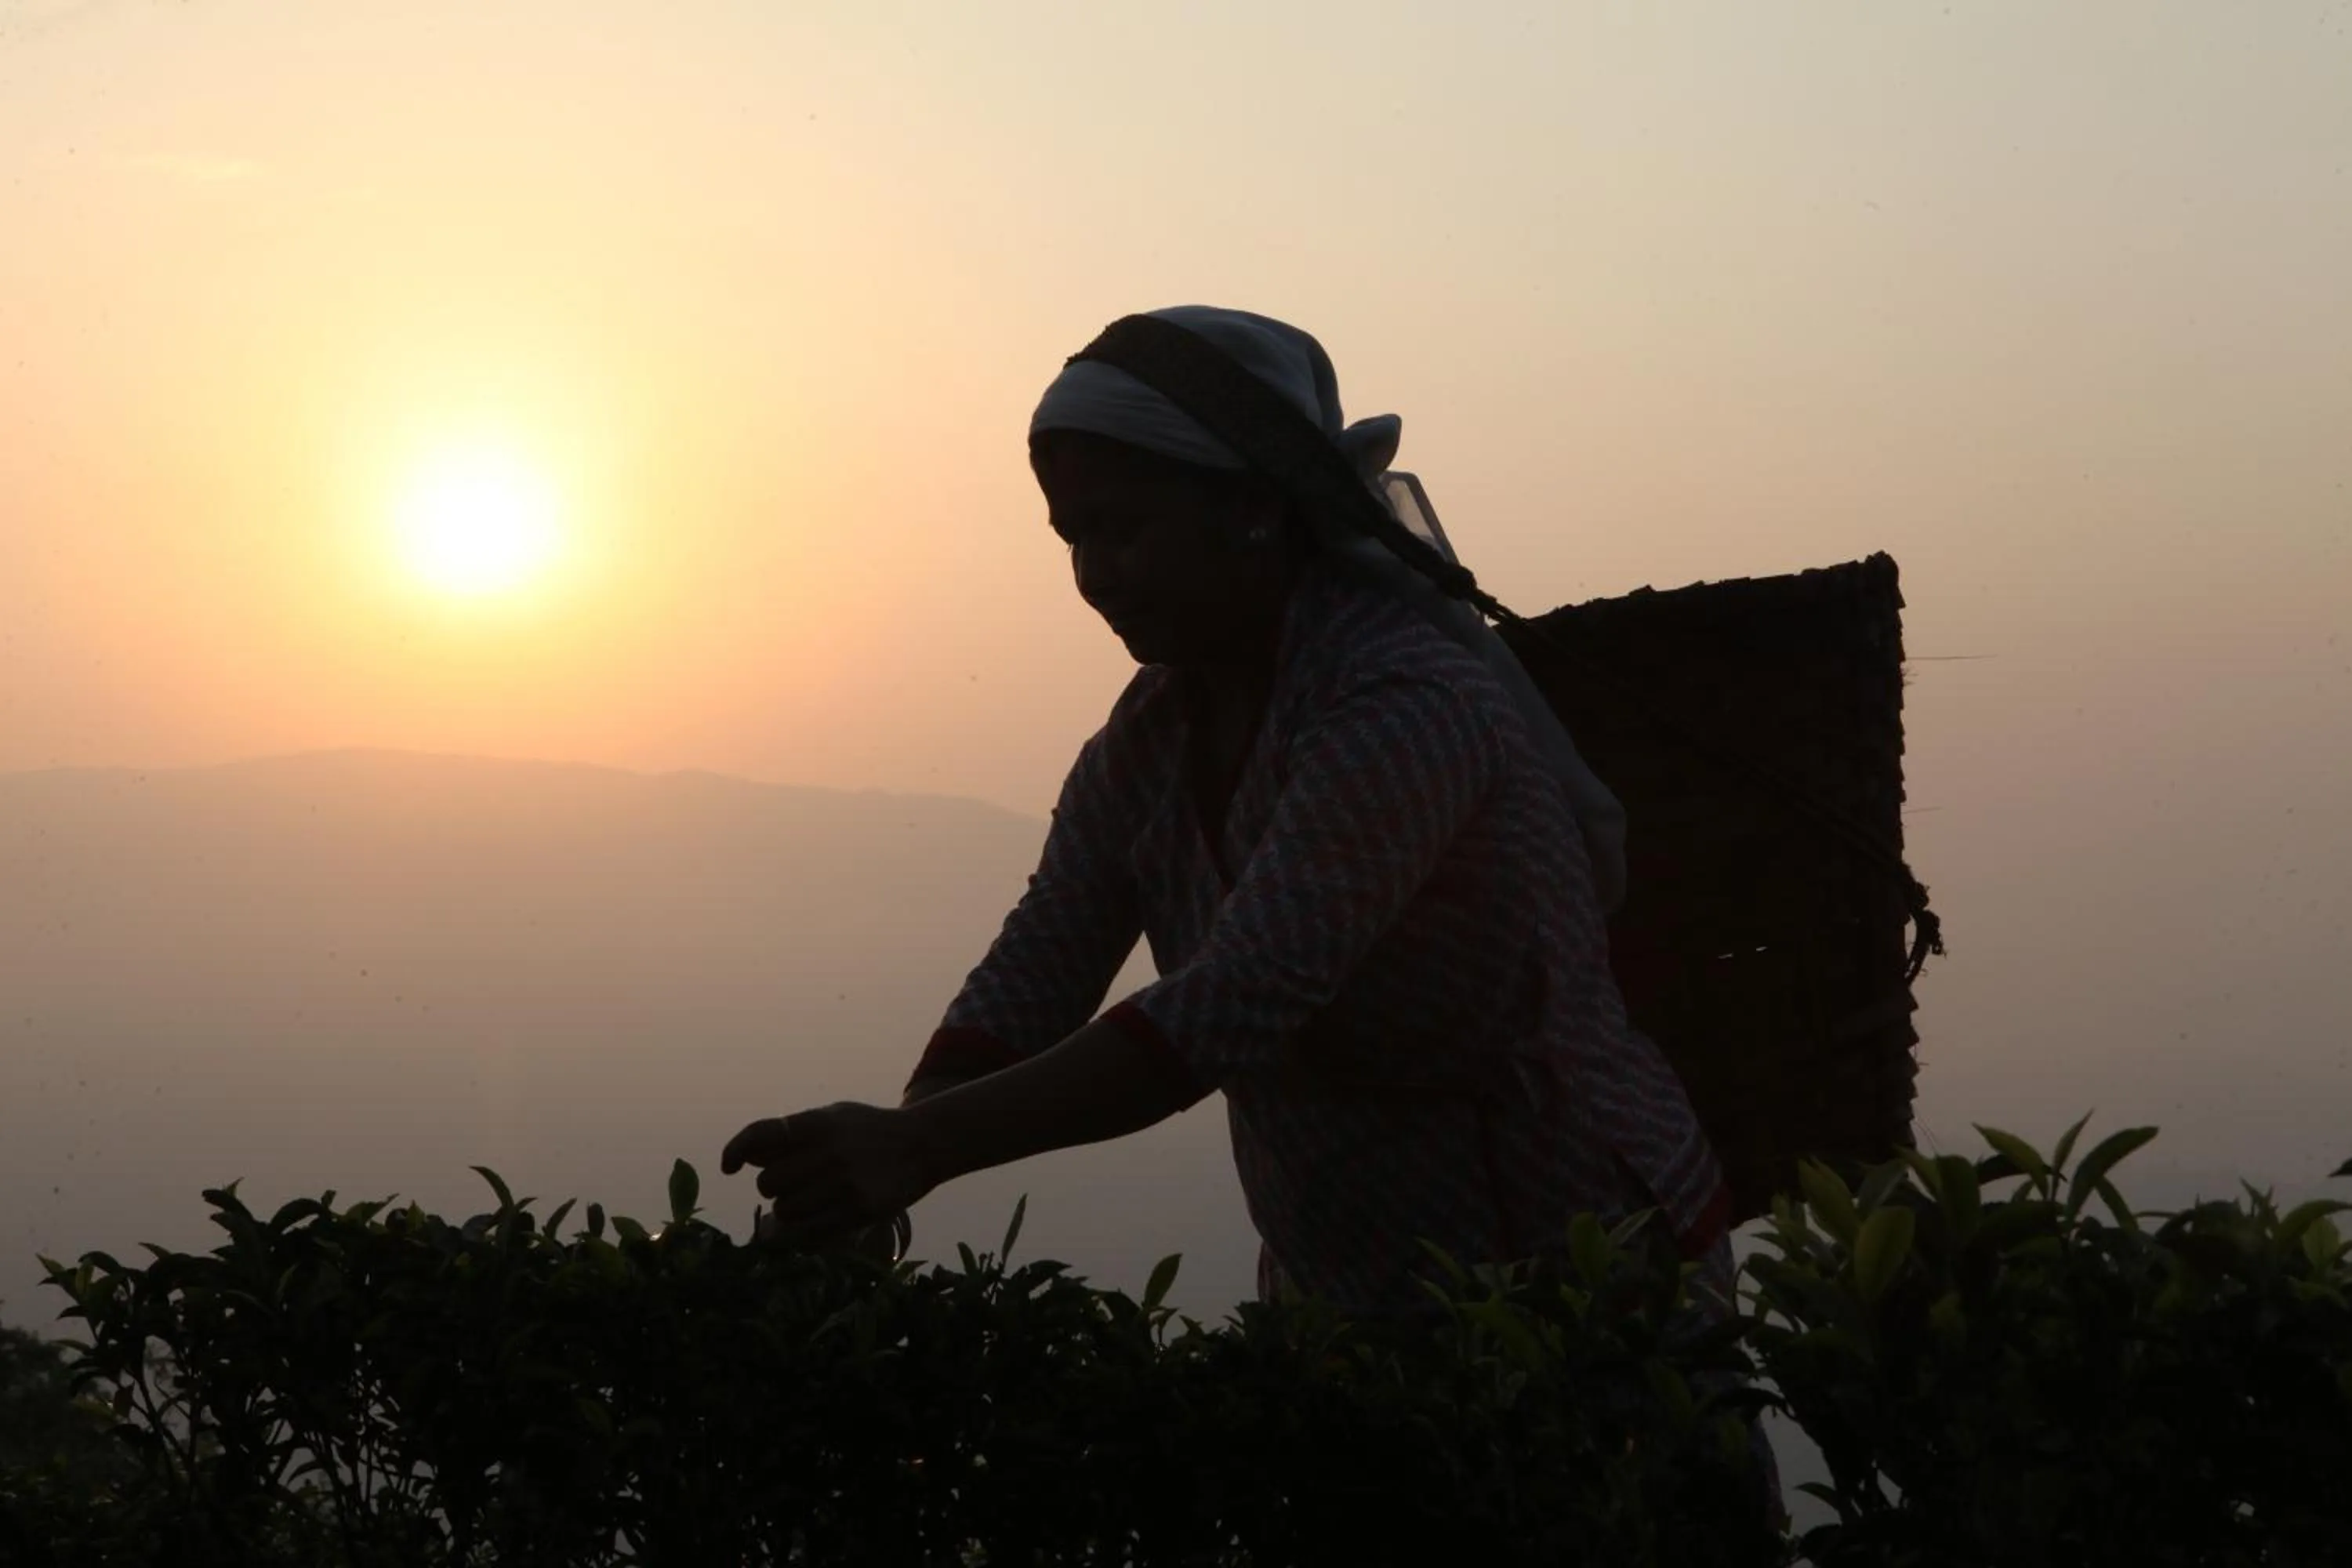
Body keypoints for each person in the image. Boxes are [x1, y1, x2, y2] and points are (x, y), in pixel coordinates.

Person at [720, 305, 1740, 1325]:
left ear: (1253, 510)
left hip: (1582, 1272)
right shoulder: (1157, 731)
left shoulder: (1404, 702)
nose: (1093, 577)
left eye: (1122, 529)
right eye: (1073, 538)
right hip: (1349, 1281)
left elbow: (1238, 1000)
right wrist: (882, 1158)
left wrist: (914, 1150)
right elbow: (1047, 955)